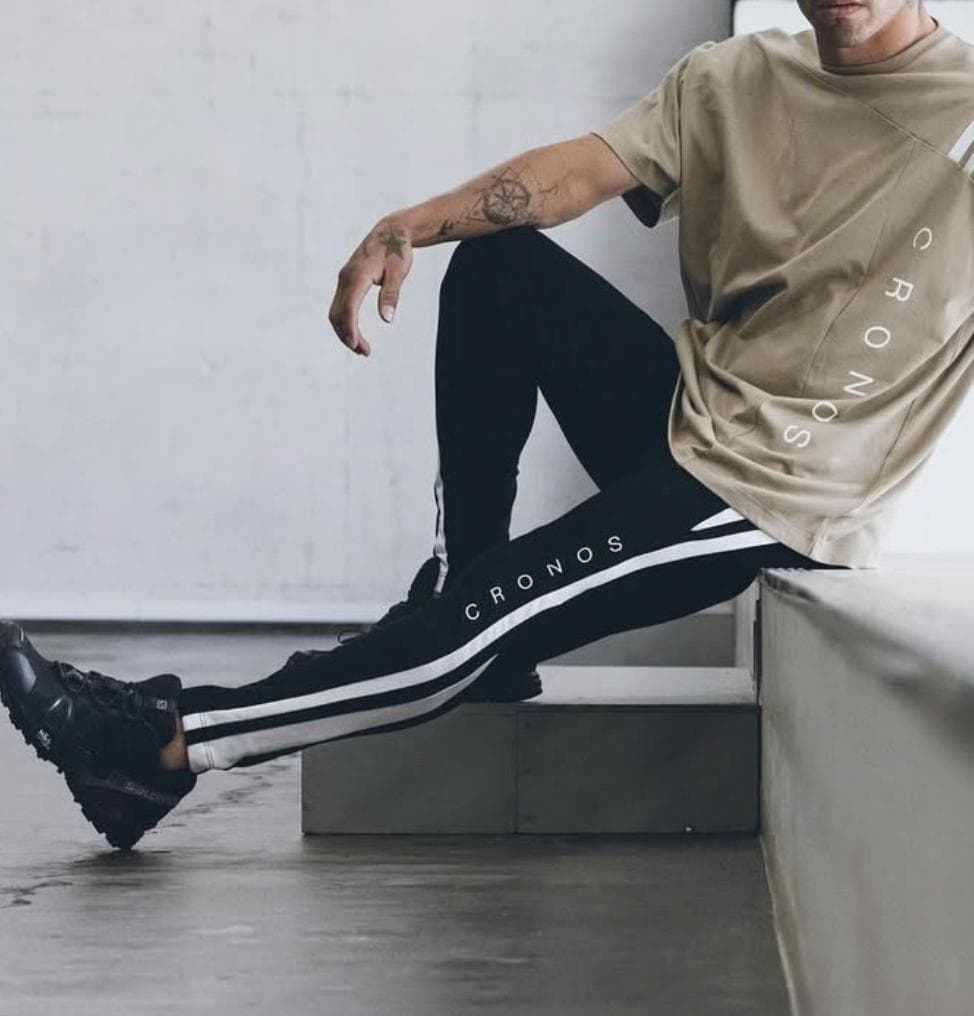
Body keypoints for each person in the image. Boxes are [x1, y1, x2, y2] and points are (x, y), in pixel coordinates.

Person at [2, 0, 970, 851]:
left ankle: (156, 749)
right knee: (499, 264)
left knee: (489, 608)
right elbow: (573, 173)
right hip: (689, 407)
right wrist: (404, 225)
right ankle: (467, 604)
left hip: (772, 487)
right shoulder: (733, 76)